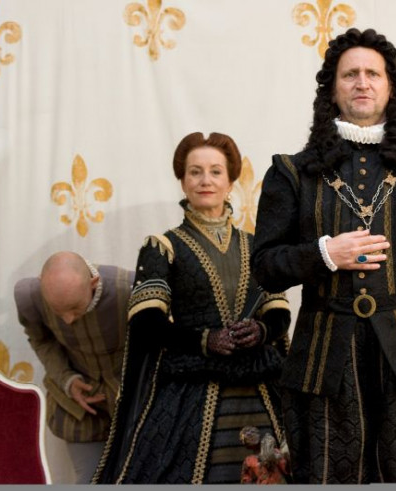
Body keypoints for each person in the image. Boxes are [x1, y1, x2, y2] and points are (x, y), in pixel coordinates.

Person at [252, 28, 396, 483]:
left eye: (373, 74)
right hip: (324, 362)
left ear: (390, 86)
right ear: (332, 89)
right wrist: (324, 253)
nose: (362, 82)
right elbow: (265, 268)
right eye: (350, 74)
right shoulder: (293, 172)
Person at [92, 132, 291, 484]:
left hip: (259, 384)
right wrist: (205, 340)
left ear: (231, 182)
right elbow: (146, 323)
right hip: (190, 391)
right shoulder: (162, 246)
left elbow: (278, 312)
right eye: (195, 172)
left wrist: (261, 331)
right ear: (182, 181)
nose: (205, 180)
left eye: (215, 171)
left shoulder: (257, 245)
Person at [13, 251, 133, 483]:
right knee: (91, 479)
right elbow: (41, 340)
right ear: (41, 283)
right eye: (58, 311)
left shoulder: (129, 290)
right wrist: (67, 380)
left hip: (133, 400)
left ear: (93, 283)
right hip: (80, 409)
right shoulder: (30, 297)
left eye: (75, 308)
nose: (68, 320)